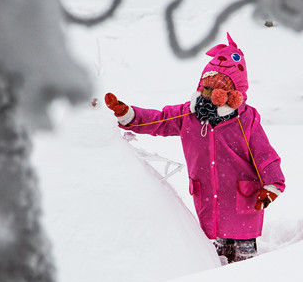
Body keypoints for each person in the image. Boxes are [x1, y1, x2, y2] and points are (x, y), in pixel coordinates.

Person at [104, 33, 285, 264]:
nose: (210, 96)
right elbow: (157, 120)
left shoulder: (245, 120)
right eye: (206, 89)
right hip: (210, 196)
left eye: (218, 91)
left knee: (245, 256)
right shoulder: (189, 116)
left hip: (243, 197)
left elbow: (264, 154)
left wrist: (273, 184)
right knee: (216, 252)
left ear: (234, 94)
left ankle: (247, 275)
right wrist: (127, 114)